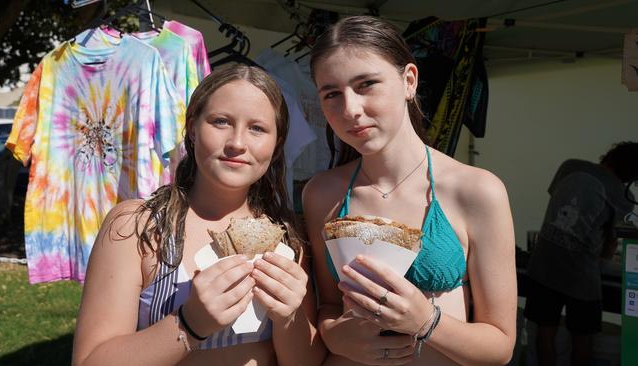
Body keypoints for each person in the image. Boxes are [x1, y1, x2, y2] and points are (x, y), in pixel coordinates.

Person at [72, 65, 326, 366]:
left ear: (277, 142)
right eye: (220, 122)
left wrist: (287, 319)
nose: (237, 143)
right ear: (192, 128)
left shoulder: (287, 238)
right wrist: (190, 324)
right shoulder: (136, 226)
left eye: (257, 128)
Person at [302, 16, 517, 366]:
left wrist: (426, 322)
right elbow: (328, 304)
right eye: (332, 94)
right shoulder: (321, 194)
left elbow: (501, 346)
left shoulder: (476, 191)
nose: (351, 110)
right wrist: (332, 333)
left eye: (366, 84)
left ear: (409, 81)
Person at [524, 142, 638, 366]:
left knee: (545, 335)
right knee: (582, 341)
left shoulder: (570, 166)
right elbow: (607, 249)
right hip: (582, 277)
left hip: (544, 265)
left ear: (610, 156)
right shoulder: (624, 197)